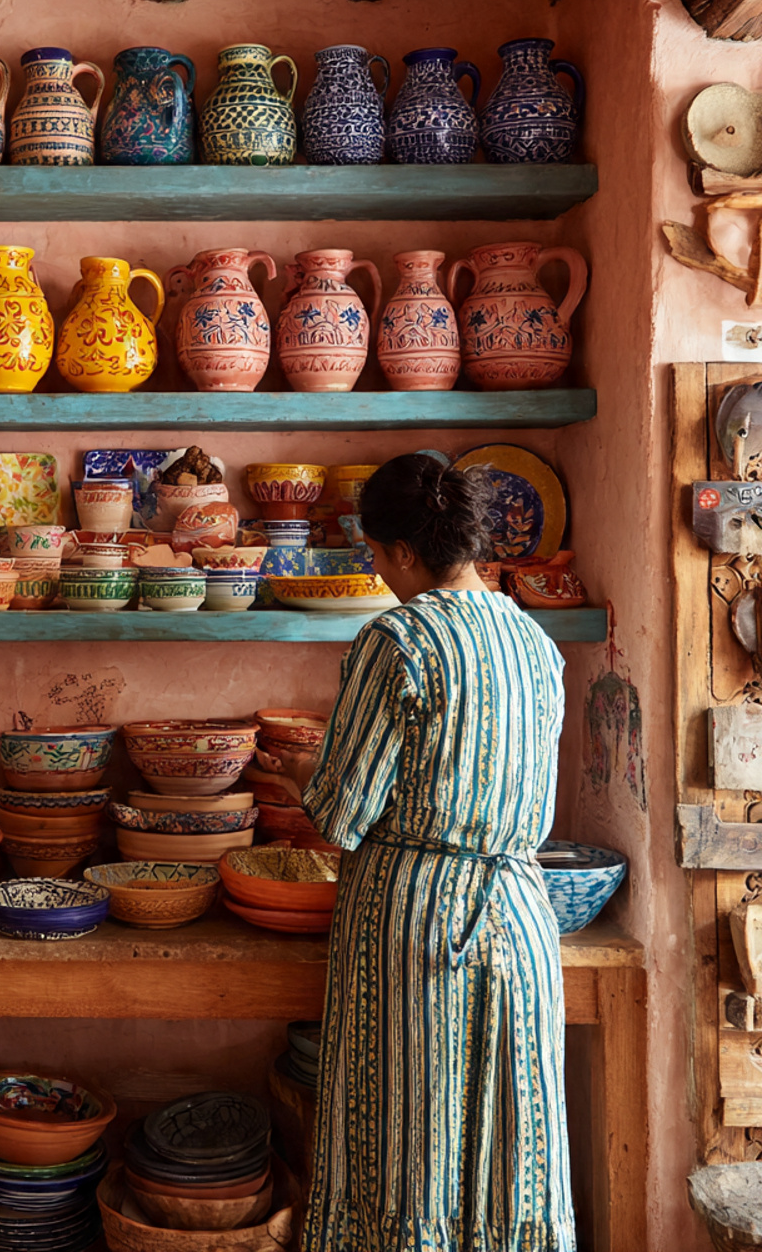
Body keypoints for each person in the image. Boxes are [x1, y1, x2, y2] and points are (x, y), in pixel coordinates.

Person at [278, 453, 575, 1252]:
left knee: (412, 1140)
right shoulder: (536, 641)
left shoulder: (399, 638)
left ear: (405, 552)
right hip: (518, 911)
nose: (380, 571)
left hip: (419, 915)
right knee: (512, 1142)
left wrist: (310, 769)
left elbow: (343, 812)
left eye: (376, 554)